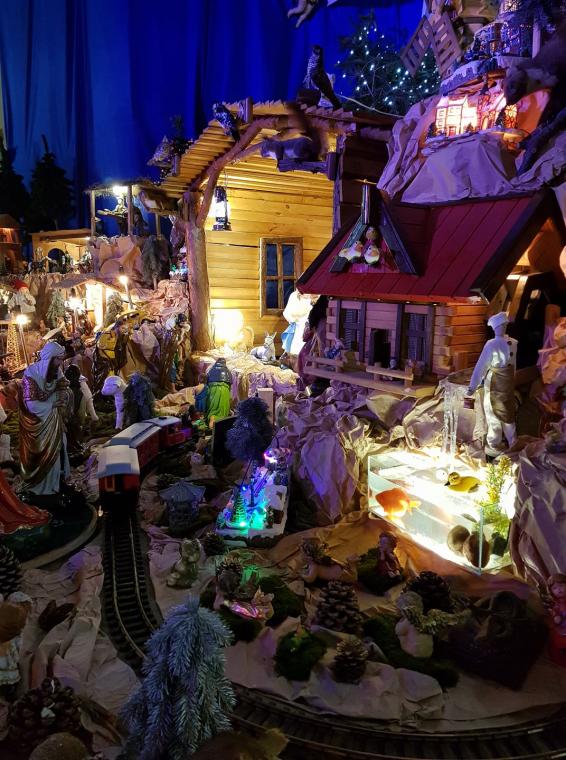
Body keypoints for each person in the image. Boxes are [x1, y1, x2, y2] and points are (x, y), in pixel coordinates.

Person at [19, 341, 71, 495]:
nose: (60, 363)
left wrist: (63, 396)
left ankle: (59, 480)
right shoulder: (31, 375)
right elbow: (32, 405)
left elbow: (63, 386)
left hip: (54, 418)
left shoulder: (55, 370)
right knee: (46, 453)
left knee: (62, 445)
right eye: (58, 359)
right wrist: (53, 403)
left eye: (61, 359)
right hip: (38, 422)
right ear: (50, 359)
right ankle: (46, 486)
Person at [465, 312, 517, 456]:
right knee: (507, 412)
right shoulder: (513, 343)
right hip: (507, 381)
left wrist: (472, 387)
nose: (502, 327)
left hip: (495, 382)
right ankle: (513, 442)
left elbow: (481, 367)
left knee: (493, 413)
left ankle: (494, 445)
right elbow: (514, 366)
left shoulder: (492, 344)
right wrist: (512, 380)